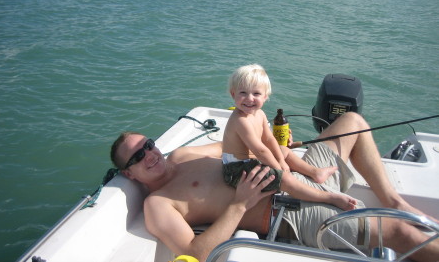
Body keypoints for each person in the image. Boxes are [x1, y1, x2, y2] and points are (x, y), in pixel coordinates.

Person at [111, 112, 439, 262]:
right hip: (288, 211)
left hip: (298, 177)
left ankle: (393, 199)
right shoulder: (158, 205)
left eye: (148, 144)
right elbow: (195, 253)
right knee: (402, 233)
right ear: (130, 175)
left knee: (351, 122)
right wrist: (239, 205)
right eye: (137, 157)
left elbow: (238, 149)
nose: (149, 154)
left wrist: (278, 149)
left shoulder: (183, 154)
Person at [223, 64, 356, 211]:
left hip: (251, 160)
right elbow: (261, 150)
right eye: (243, 93)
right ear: (233, 94)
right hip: (236, 171)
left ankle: (315, 172)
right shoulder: (240, 120)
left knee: (283, 150)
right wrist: (279, 168)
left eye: (256, 94)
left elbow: (269, 139)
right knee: (283, 178)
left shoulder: (259, 114)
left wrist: (280, 158)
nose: (249, 98)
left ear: (265, 97)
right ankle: (329, 197)